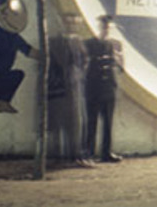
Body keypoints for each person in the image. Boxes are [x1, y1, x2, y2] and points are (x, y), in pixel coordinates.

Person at [50, 14, 93, 166]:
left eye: (75, 23)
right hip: (62, 89)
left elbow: (85, 61)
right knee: (61, 122)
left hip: (76, 86)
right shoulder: (56, 42)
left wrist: (79, 75)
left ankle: (77, 154)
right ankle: (62, 156)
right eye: (69, 22)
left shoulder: (79, 41)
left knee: (77, 120)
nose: (72, 25)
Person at [86, 15, 123, 163]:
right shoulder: (89, 43)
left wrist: (118, 58)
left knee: (108, 123)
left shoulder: (114, 45)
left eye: (108, 27)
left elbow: (120, 68)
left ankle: (106, 152)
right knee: (92, 122)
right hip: (93, 88)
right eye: (103, 26)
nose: (105, 29)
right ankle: (89, 152)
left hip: (108, 88)